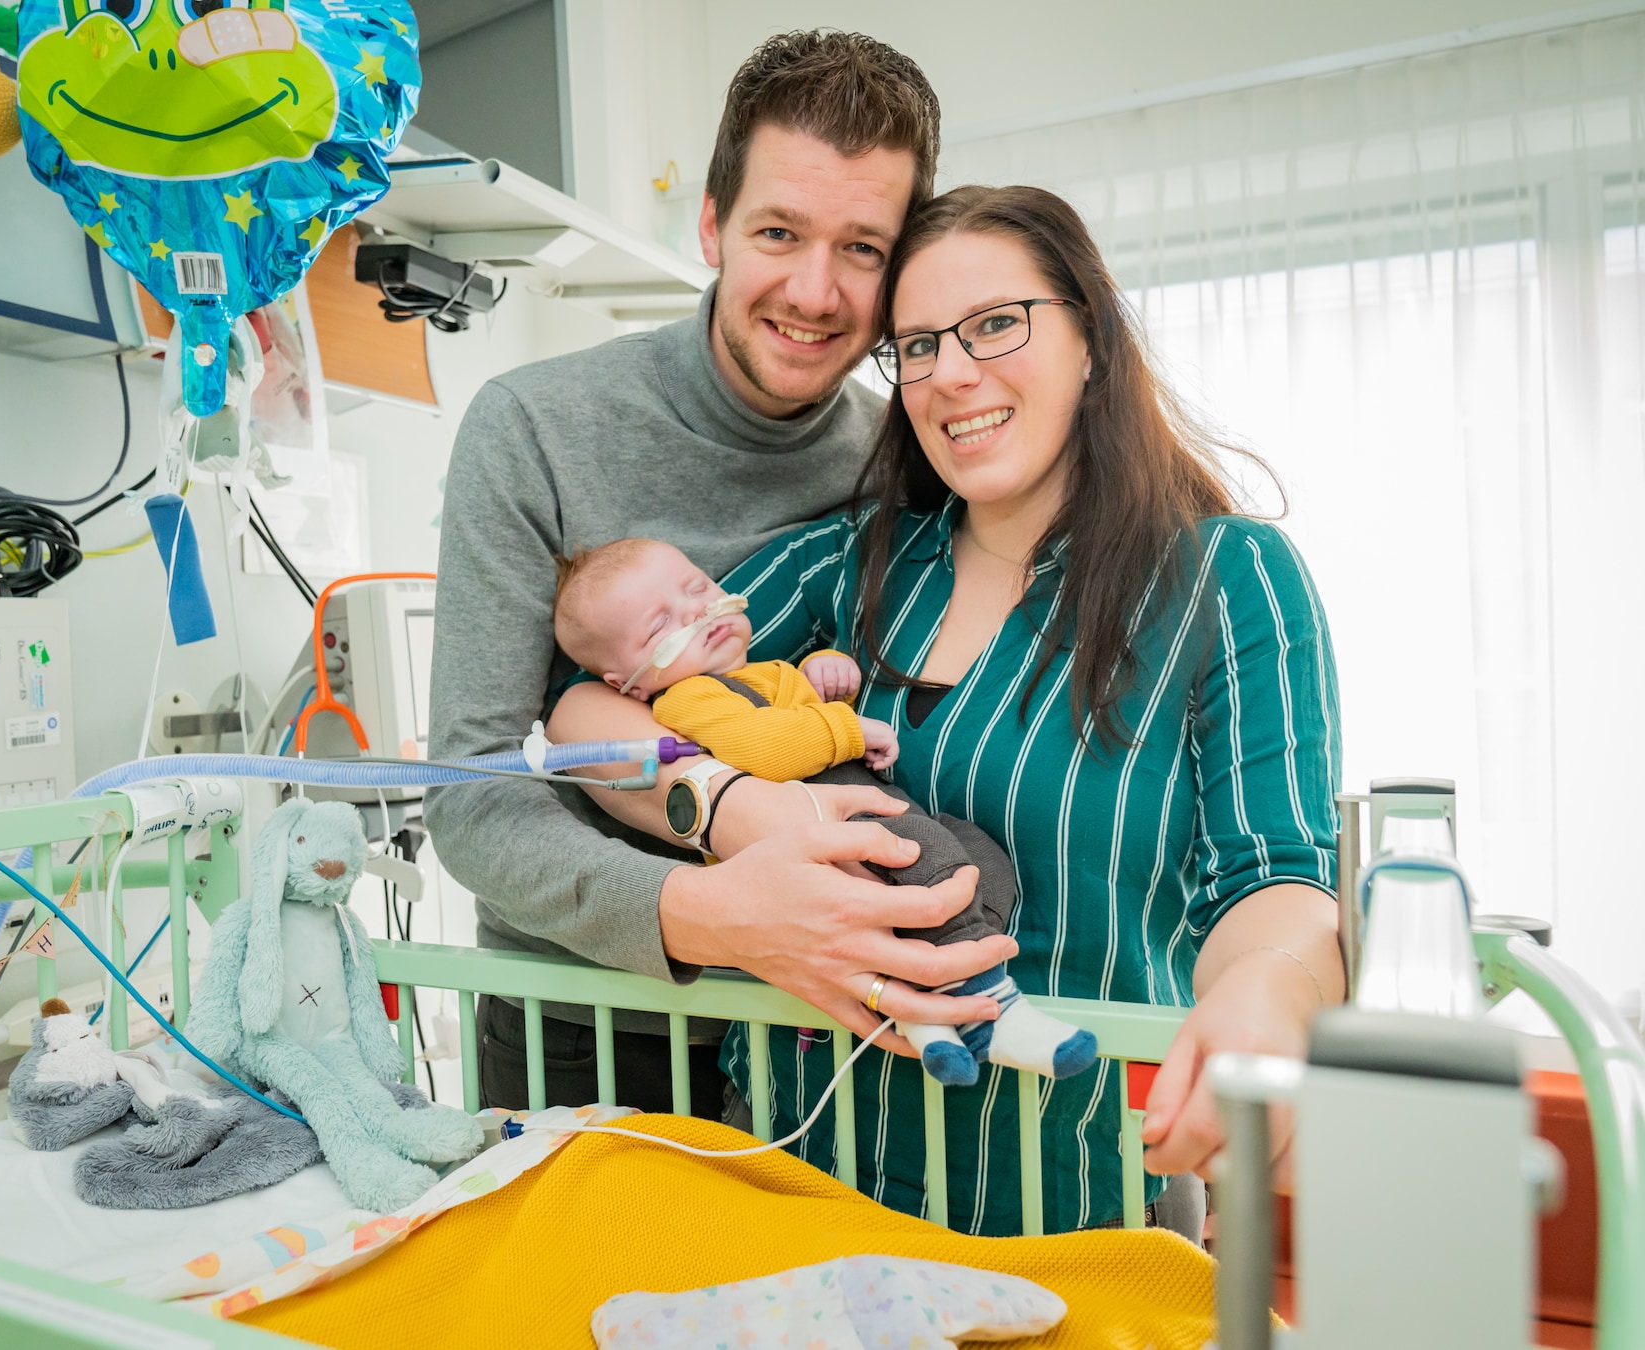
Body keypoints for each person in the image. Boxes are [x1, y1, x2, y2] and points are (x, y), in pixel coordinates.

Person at [551, 184, 1344, 1235]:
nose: (951, 373)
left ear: (1093, 336)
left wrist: (1273, 989)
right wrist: (732, 802)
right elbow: (582, 721)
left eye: (996, 324)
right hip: (791, 1167)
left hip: (1067, 1200)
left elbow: (1280, 877)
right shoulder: (855, 563)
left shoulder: (1223, 579)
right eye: (917, 345)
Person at [425, 32, 1016, 1120]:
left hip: (835, 1022)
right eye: (779, 232)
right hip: (581, 1020)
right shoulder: (532, 431)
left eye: (863, 250)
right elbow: (472, 799)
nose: (814, 289)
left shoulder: (908, 456)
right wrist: (715, 906)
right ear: (712, 223)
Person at [550, 536, 1098, 1087]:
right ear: (631, 685)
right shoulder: (686, 700)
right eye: (660, 626)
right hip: (824, 831)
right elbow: (763, 747)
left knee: (978, 856)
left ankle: (927, 1006)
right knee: (929, 857)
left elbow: (789, 705)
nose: (695, 611)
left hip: (871, 809)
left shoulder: (765, 674)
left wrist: (822, 672)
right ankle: (992, 1010)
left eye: (698, 587)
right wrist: (847, 727)